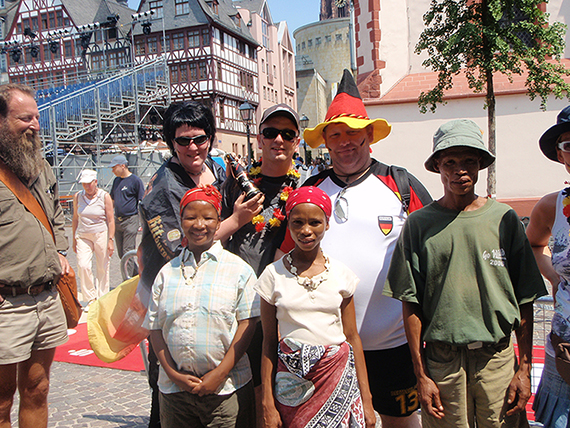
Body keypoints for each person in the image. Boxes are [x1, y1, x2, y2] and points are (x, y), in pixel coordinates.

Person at [384, 119, 548, 428]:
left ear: (480, 165)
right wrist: (421, 375)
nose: (460, 170)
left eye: (470, 161)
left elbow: (525, 297)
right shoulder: (419, 225)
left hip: (497, 360)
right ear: (438, 166)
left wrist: (524, 369)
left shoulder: (504, 219)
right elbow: (410, 303)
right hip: (442, 363)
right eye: (450, 162)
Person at [295, 69, 432, 428]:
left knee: (401, 424)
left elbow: (436, 247)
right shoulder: (310, 190)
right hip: (329, 346)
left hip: (394, 346)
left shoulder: (400, 183)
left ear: (369, 135)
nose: (345, 141)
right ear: (325, 141)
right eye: (335, 134)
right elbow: (287, 257)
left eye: (353, 132)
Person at [135, 100, 226, 427]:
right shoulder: (165, 184)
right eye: (183, 140)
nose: (193, 147)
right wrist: (238, 220)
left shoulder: (214, 169)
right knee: (168, 384)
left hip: (206, 288)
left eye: (200, 138)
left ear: (210, 138)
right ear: (171, 143)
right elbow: (181, 246)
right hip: (170, 294)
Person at [257, 186, 376, 428]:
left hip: (337, 378)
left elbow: (352, 337)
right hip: (292, 386)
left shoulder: (342, 275)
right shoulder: (272, 275)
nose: (306, 230)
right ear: (288, 224)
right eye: (298, 222)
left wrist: (367, 399)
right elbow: (268, 342)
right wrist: (268, 403)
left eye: (315, 222)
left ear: (327, 224)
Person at [145, 185, 259, 428]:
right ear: (181, 221)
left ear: (219, 222)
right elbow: (154, 327)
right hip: (174, 394)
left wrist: (220, 374)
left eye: (207, 218)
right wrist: (173, 374)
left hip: (226, 389)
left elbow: (247, 324)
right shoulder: (166, 273)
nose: (199, 225)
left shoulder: (239, 270)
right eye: (190, 218)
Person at [218, 103, 302, 424]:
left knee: (288, 390)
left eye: (287, 134)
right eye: (270, 132)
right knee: (250, 391)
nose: (278, 139)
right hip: (241, 305)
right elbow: (210, 235)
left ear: (296, 142)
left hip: (286, 306)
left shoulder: (305, 187)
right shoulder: (234, 185)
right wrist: (237, 219)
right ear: (259, 138)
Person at [0, 83, 69, 427]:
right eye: (25, 118)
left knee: (38, 388)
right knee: (1, 401)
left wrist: (60, 250)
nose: (35, 125)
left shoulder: (41, 166)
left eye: (36, 118)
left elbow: (55, 212)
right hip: (6, 303)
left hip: (46, 297)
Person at [527, 105, 570, 427]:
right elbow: (533, 245)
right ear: (560, 154)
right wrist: (554, 277)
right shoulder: (551, 206)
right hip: (565, 352)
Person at [72, 169, 114, 310]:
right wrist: (74, 239)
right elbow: (75, 218)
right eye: (84, 184)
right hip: (83, 234)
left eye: (89, 183)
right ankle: (90, 297)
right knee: (83, 265)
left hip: (100, 233)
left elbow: (110, 220)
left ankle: (102, 297)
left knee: (102, 266)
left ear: (95, 182)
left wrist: (110, 239)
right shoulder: (78, 196)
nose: (87, 186)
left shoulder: (104, 196)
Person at [109, 154, 144, 276]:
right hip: (117, 220)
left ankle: (126, 279)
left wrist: (142, 221)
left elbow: (141, 200)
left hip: (130, 220)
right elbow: (112, 200)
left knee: (127, 251)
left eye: (114, 167)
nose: (112, 171)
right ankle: (136, 275)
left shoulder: (135, 181)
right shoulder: (116, 181)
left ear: (122, 166)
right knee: (121, 254)